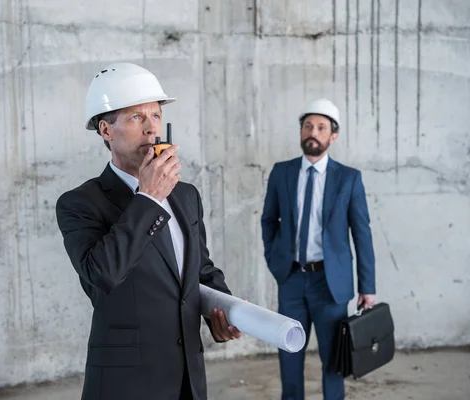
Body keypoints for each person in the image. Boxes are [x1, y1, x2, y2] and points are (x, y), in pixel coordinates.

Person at [56, 62, 241, 400]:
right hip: (126, 381)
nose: (151, 129)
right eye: (136, 118)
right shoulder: (79, 203)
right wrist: (149, 197)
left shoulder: (186, 195)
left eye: (156, 116)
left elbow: (200, 270)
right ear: (106, 131)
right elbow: (103, 274)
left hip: (187, 376)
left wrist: (223, 310)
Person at [261, 99, 376, 399]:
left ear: (332, 136)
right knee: (289, 357)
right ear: (301, 132)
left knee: (333, 362)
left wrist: (368, 286)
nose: (313, 132)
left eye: (321, 127)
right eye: (308, 126)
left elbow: (362, 234)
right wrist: (276, 264)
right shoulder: (281, 173)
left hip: (330, 283)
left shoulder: (349, 178)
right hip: (292, 279)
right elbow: (268, 220)